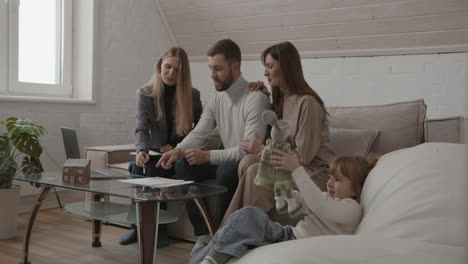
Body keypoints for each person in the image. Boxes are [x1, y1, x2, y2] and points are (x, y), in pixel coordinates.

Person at [156, 39, 271, 254]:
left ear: (235, 66)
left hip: (246, 163)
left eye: (218, 69)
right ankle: (203, 233)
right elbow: (199, 132)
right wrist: (178, 150)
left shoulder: (256, 98)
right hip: (225, 159)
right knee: (183, 164)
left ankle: (221, 239)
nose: (212, 74)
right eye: (210, 68)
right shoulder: (216, 98)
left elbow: (247, 151)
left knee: (227, 169)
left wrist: (207, 157)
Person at [191, 153, 380, 264]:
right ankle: (205, 257)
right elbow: (299, 204)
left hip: (293, 240)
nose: (330, 183)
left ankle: (210, 257)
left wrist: (297, 170)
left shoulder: (351, 209)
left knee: (249, 216)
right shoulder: (330, 200)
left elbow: (319, 206)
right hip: (288, 234)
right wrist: (281, 187)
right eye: (330, 177)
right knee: (243, 220)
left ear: (358, 187)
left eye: (337, 179)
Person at [221, 41, 335, 225]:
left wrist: (260, 150)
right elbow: (279, 137)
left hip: (313, 174)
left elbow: (302, 158)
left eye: (270, 66)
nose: (265, 72)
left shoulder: (308, 104)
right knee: (247, 161)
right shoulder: (283, 99)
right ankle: (239, 230)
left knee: (254, 171)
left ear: (287, 68)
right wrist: (265, 95)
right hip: (293, 167)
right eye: (265, 67)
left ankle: (227, 234)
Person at [119, 47, 203, 246]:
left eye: (177, 69)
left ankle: (154, 229)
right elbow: (141, 129)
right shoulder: (145, 93)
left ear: (184, 72)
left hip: (178, 154)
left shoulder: (192, 95)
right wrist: (141, 151)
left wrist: (176, 147)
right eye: (168, 67)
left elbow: (201, 130)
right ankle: (139, 228)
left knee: (149, 169)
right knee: (137, 166)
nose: (171, 73)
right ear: (160, 66)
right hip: (154, 151)